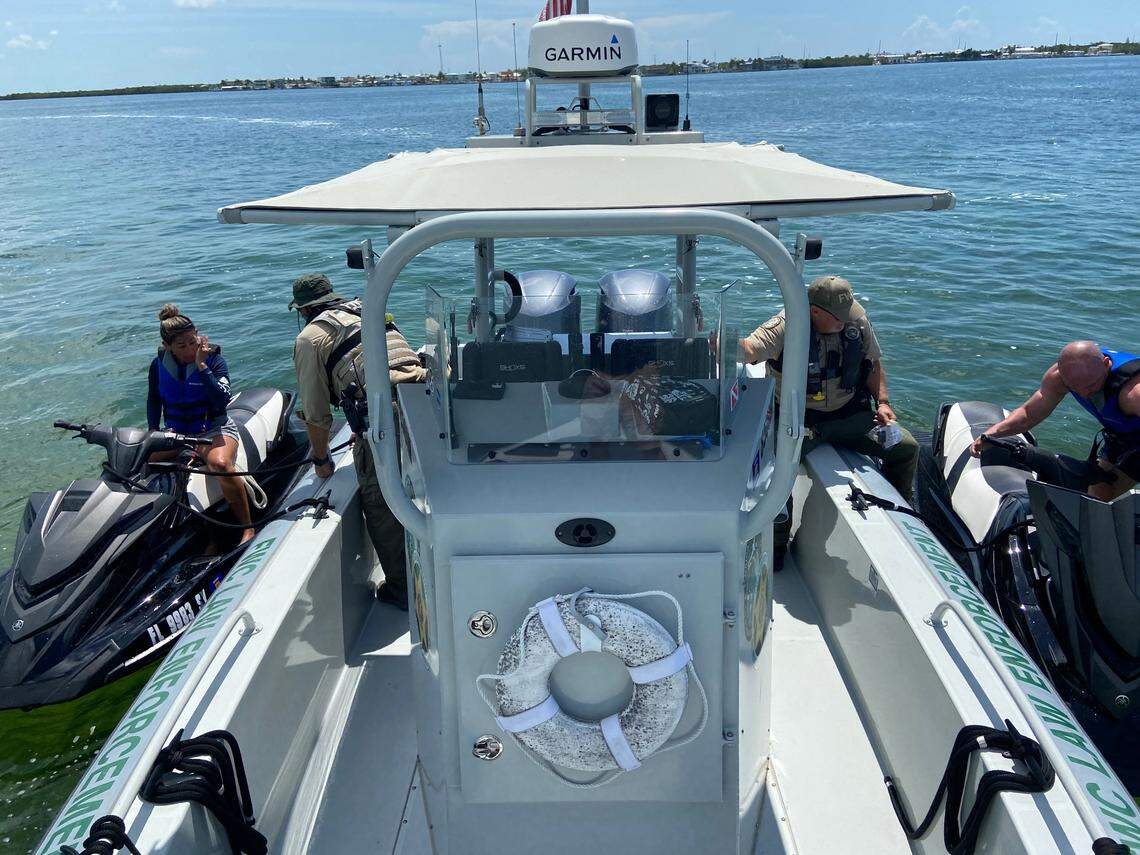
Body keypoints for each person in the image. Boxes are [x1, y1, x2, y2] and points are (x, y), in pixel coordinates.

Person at [738, 275, 918, 568]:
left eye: (847, 315)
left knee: (906, 447)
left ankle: (903, 513)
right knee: (776, 471)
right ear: (814, 311)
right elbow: (750, 350)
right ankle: (778, 545)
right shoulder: (787, 324)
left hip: (850, 415)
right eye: (837, 317)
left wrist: (883, 403)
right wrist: (718, 342)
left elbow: (873, 363)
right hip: (799, 422)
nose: (844, 322)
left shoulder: (855, 320)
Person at [289, 273, 426, 609]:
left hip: (388, 418)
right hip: (427, 400)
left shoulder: (310, 338)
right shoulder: (368, 309)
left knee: (380, 503)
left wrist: (321, 461)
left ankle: (403, 590)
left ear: (303, 310)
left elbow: (317, 413)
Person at [970, 340, 1139, 501]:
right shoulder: (1062, 376)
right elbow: (1028, 414)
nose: (1084, 394)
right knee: (1098, 492)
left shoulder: (1133, 394)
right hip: (1122, 435)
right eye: (1075, 388)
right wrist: (990, 434)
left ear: (1106, 363)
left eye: (1091, 386)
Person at [148, 304, 255, 544]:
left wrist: (202, 366)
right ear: (167, 347)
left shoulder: (214, 360)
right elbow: (153, 399)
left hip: (213, 429)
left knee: (220, 464)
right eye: (181, 345)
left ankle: (247, 527)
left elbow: (221, 398)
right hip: (176, 433)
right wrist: (152, 431)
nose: (189, 349)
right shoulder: (158, 365)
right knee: (141, 461)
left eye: (192, 341)